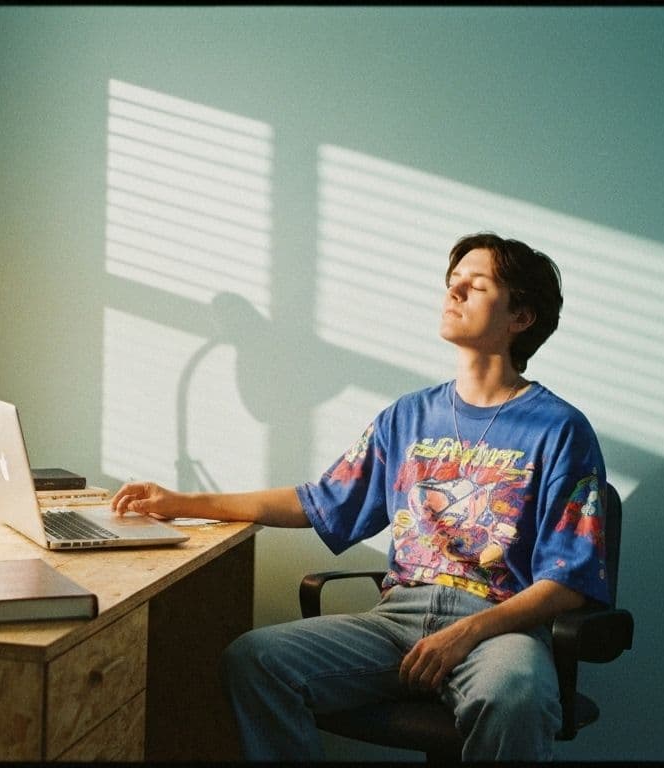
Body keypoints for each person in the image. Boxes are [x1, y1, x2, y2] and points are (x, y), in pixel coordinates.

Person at [111, 232, 609, 761]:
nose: (454, 292)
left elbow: (569, 582)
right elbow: (321, 500)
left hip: (497, 627)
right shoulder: (407, 417)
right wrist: (181, 503)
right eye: (452, 282)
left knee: (517, 696)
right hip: (397, 618)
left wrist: (466, 633)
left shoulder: (559, 430)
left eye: (475, 285)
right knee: (255, 659)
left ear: (521, 317)